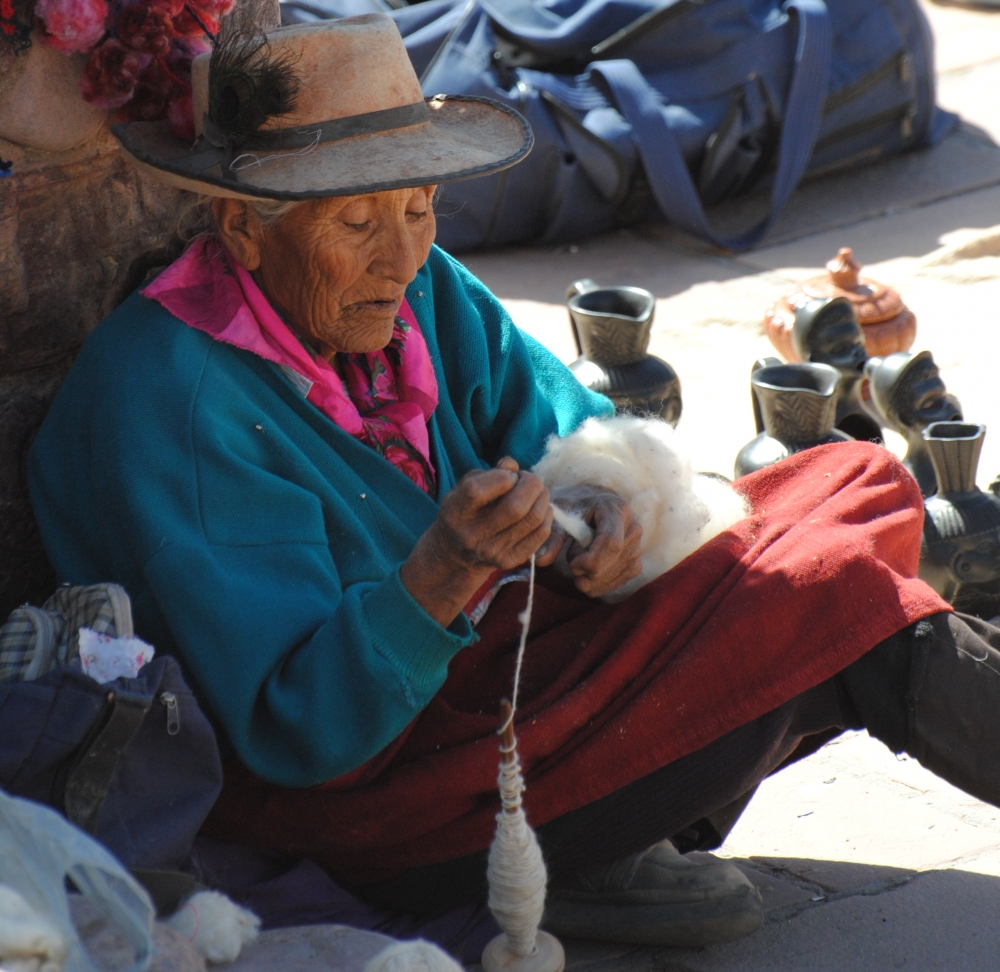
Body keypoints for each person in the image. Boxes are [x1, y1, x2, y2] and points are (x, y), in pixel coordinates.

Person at [27, 13, 1000, 954]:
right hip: (370, 802)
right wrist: (440, 576)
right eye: (357, 219)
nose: (401, 253)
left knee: (855, 478)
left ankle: (597, 855)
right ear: (242, 228)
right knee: (836, 594)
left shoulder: (413, 291)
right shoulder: (177, 403)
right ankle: (585, 848)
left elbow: (567, 424)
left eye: (418, 208)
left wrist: (607, 509)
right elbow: (302, 736)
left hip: (495, 677)